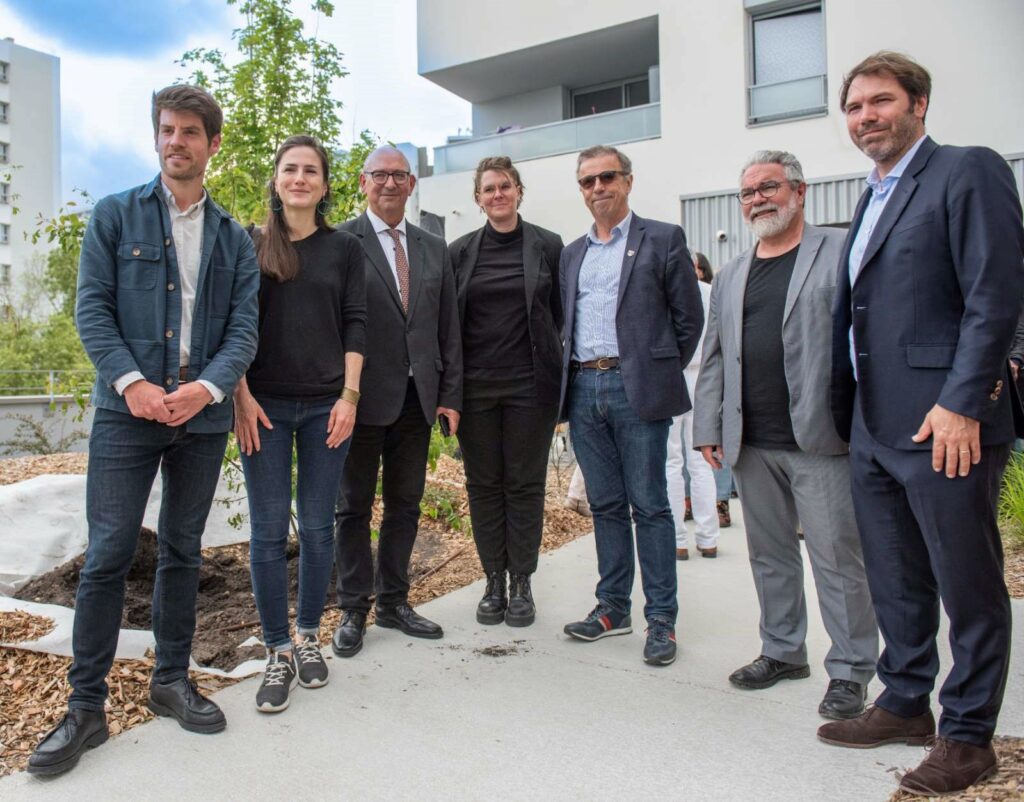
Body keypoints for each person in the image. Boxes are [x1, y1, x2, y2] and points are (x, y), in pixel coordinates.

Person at [28, 85, 259, 775]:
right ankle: (85, 709)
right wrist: (134, 384)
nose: (176, 141)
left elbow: (245, 328)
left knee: (184, 551)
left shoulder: (234, 236)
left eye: (191, 131)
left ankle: (169, 682)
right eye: (167, 129)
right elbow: (91, 310)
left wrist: (206, 388)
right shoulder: (115, 217)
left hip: (201, 414)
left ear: (212, 145)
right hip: (127, 414)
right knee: (107, 555)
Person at [818, 52, 1024, 796]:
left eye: (880, 102)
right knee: (896, 576)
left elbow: (995, 294)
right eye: (854, 107)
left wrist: (966, 401)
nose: (866, 117)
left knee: (965, 579)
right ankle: (906, 701)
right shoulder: (871, 197)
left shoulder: (967, 171)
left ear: (919, 104)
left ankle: (968, 737)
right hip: (874, 421)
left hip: (947, 420)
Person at [693, 150, 878, 721]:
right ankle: (783, 650)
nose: (756, 200)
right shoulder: (730, 274)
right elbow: (715, 358)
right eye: (747, 193)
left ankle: (850, 669)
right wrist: (708, 427)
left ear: (799, 192)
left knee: (836, 559)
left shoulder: (840, 252)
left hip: (822, 438)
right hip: (752, 441)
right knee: (769, 556)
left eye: (767, 188)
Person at [233, 136, 366, 712]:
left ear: (326, 183)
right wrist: (238, 396)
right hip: (262, 408)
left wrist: (349, 396)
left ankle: (309, 637)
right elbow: (229, 326)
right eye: (291, 169)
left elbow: (357, 324)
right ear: (277, 178)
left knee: (316, 528)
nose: (300, 178)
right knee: (266, 533)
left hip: (325, 409)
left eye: (311, 170)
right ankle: (277, 651)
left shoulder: (345, 249)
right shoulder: (251, 244)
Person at [559, 145, 703, 666]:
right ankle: (612, 609)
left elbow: (688, 320)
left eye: (607, 178)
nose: (598, 188)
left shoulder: (662, 238)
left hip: (634, 388)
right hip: (582, 389)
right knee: (605, 507)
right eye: (588, 181)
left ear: (627, 181)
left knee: (651, 506)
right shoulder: (572, 253)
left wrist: (653, 368)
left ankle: (661, 619)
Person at [331, 146, 462, 657]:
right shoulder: (341, 240)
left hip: (417, 400)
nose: (389, 183)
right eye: (379, 175)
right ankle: (354, 609)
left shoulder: (434, 247)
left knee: (405, 506)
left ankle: (393, 602)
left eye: (399, 176)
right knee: (353, 508)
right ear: (363, 182)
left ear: (412, 185)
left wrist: (450, 394)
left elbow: (446, 327)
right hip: (358, 400)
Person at [448, 156, 563, 627]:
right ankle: (493, 580)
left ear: (519, 191)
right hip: (475, 390)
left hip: (529, 387)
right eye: (489, 188)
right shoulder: (458, 252)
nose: (498, 194)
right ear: (478, 199)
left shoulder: (548, 246)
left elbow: (557, 315)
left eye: (506, 186)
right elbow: (449, 326)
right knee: (483, 485)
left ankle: (522, 583)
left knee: (524, 484)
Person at [667, 252, 718, 560]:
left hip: (674, 375)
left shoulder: (667, 293)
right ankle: (708, 537)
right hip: (703, 377)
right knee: (701, 462)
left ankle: (677, 539)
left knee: (671, 462)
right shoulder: (710, 293)